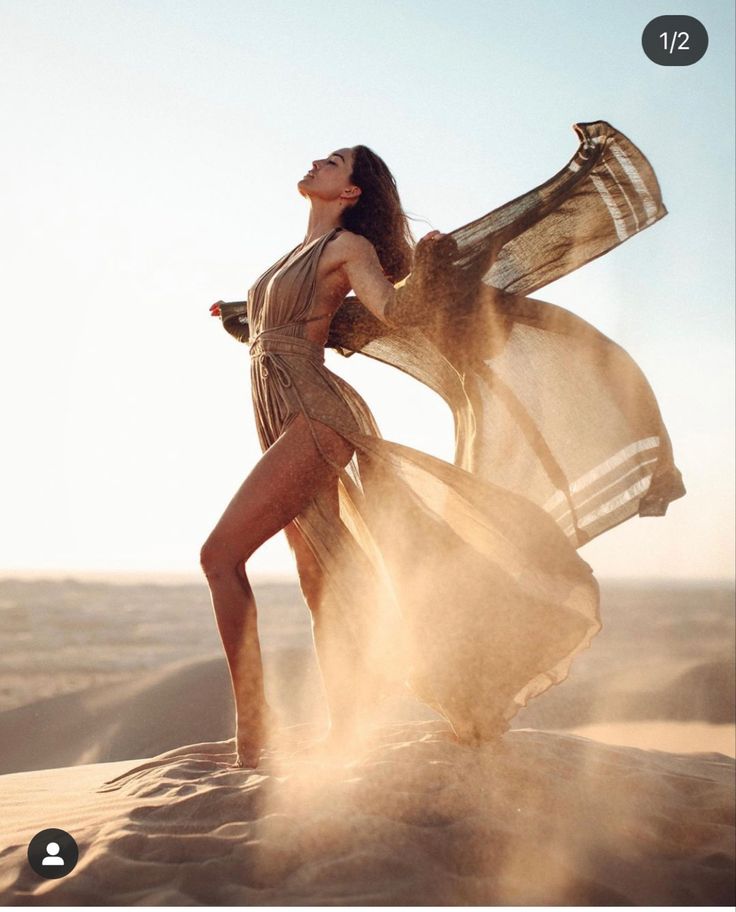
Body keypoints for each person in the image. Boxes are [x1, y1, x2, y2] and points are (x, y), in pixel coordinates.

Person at [205, 123, 686, 769]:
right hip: (274, 409)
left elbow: (390, 311)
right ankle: (345, 731)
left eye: (336, 160)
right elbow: (282, 322)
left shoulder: (349, 246)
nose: (319, 159)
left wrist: (427, 273)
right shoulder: (292, 255)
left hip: (315, 416)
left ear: (350, 189)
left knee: (220, 555)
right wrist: (240, 315)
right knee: (321, 579)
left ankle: (252, 742)